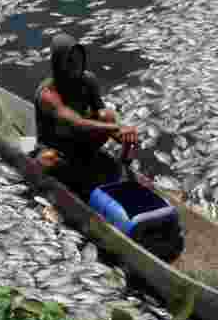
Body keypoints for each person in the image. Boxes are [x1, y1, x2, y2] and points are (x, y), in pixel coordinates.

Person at [33, 33, 139, 198]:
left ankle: (119, 167)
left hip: (79, 141)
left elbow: (102, 116)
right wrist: (118, 127)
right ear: (58, 64)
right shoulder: (48, 93)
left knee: (107, 116)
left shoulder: (88, 80)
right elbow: (76, 122)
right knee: (49, 158)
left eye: (79, 59)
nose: (76, 65)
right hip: (56, 147)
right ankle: (55, 187)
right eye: (70, 61)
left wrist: (124, 137)